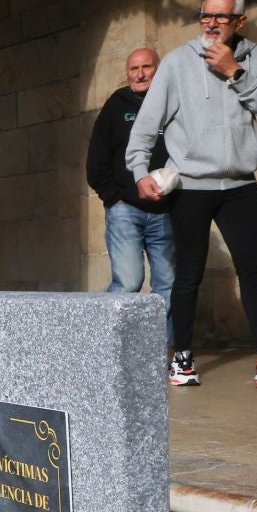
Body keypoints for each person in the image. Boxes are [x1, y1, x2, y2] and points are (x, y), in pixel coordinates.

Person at [128, 0, 257, 388]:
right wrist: (139, 171)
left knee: (254, 268)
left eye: (221, 17)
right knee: (188, 275)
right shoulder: (179, 63)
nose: (211, 24)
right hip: (191, 188)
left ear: (239, 21)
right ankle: (181, 359)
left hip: (239, 185)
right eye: (206, 15)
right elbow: (146, 127)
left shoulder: (255, 58)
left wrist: (236, 72)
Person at [87, 47, 173, 338]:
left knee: (167, 284)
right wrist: (116, 197)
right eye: (134, 68)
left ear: (158, 70)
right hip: (126, 209)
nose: (140, 74)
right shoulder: (116, 106)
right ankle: (104, 342)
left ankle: (162, 351)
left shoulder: (171, 104)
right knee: (128, 282)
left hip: (166, 211)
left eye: (146, 67)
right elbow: (96, 163)